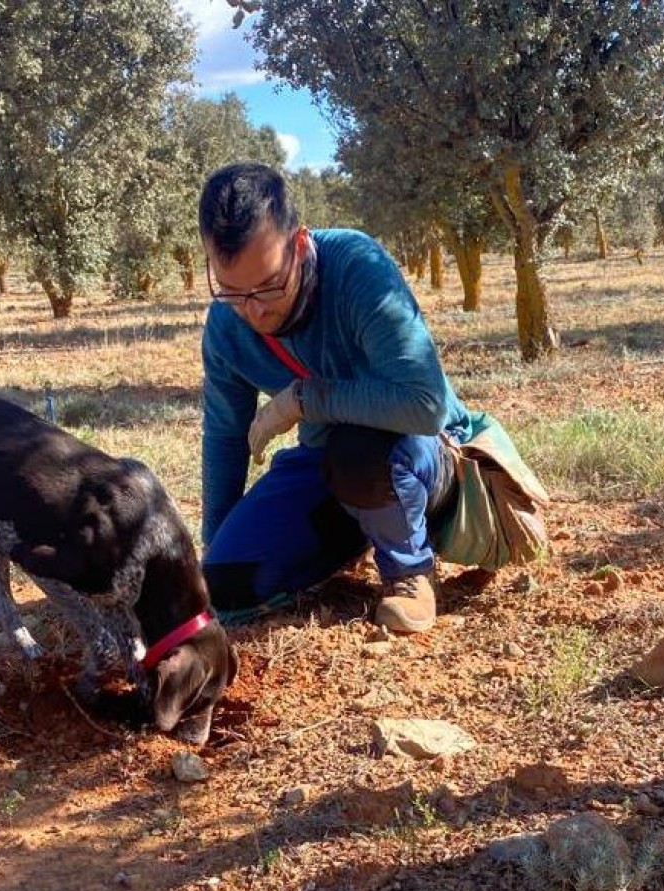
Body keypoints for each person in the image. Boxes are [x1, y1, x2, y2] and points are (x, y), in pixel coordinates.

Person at [198, 162, 531, 633]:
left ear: (298, 244)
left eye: (269, 285)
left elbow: (424, 404)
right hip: (326, 467)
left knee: (358, 452)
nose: (253, 309)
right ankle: (359, 532)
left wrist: (303, 400)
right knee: (224, 585)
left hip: (422, 453)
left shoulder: (356, 265)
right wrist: (214, 546)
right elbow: (225, 436)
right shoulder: (226, 327)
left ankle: (409, 573)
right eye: (231, 291)